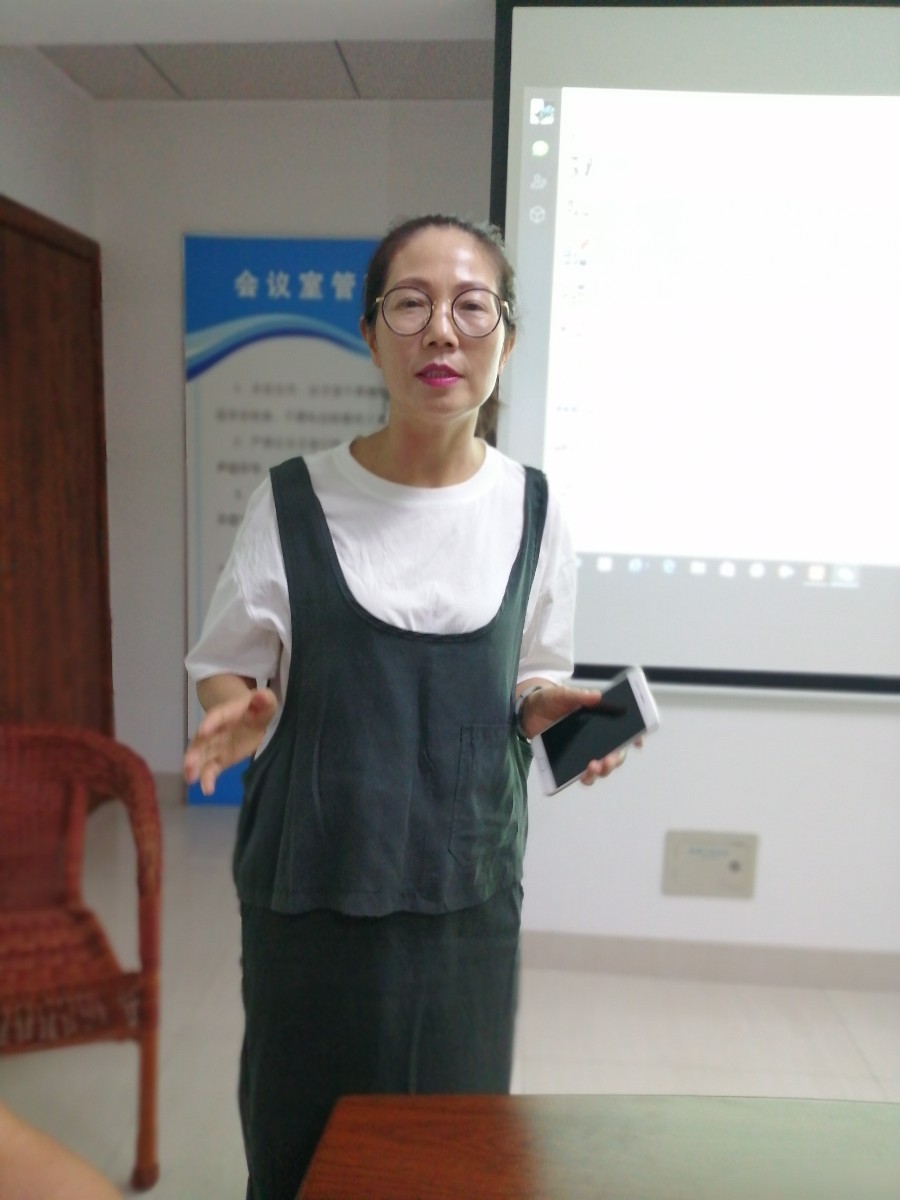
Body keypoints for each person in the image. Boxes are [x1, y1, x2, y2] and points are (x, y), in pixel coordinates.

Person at [183, 213, 629, 1200]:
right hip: (314, 891)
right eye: (410, 304)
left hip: (465, 897)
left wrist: (548, 709)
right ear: (369, 332)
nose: (441, 331)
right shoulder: (292, 500)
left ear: (507, 338)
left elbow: (531, 673)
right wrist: (241, 710)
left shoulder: (535, 509)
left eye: (473, 307)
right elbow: (228, 667)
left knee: (454, 1156)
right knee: (305, 1151)